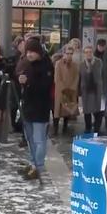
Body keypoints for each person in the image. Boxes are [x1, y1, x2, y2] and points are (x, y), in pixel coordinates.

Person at [18, 39, 53, 180]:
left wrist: (28, 82)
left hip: (41, 108)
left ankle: (38, 166)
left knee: (39, 140)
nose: (29, 54)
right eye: (27, 52)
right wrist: (21, 82)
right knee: (30, 139)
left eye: (32, 52)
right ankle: (32, 163)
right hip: (28, 107)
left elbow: (44, 87)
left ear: (38, 52)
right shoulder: (28, 64)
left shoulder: (47, 65)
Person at [53, 45, 79, 136]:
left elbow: (76, 77)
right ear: (64, 53)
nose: (69, 55)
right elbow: (57, 78)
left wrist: (72, 88)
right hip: (60, 90)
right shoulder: (58, 63)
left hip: (71, 90)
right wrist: (63, 88)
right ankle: (55, 128)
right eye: (67, 53)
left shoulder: (75, 65)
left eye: (71, 54)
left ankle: (65, 127)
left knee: (68, 109)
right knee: (57, 110)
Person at [80, 46, 105, 134]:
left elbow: (102, 74)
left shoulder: (99, 62)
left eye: (90, 52)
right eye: (86, 52)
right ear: (84, 54)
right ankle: (88, 127)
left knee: (98, 110)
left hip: (97, 88)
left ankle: (97, 129)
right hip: (86, 89)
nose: (88, 54)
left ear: (92, 52)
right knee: (87, 110)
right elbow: (81, 77)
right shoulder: (82, 64)